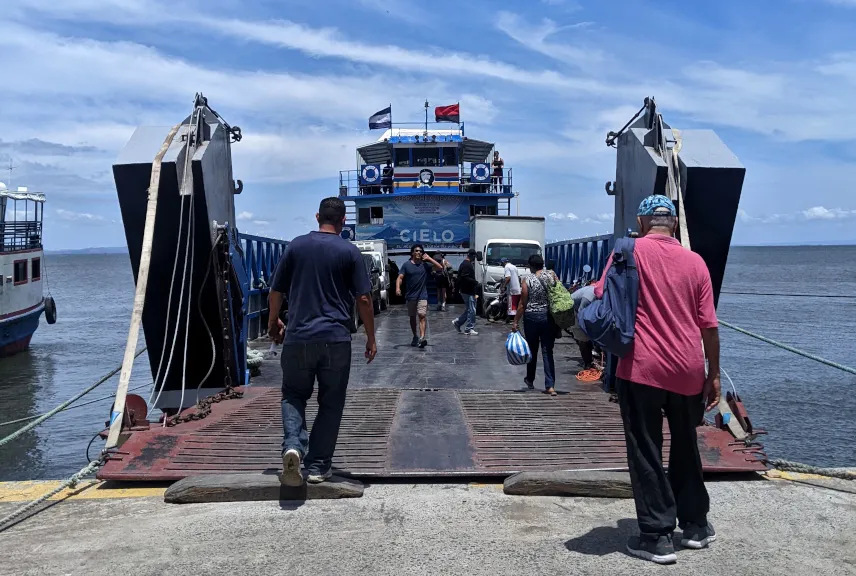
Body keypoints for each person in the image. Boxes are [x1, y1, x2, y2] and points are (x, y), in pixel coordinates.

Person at [595, 194, 720, 565]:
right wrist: (713, 373)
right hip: (688, 369)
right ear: (675, 224)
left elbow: (601, 296)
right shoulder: (696, 262)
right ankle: (695, 525)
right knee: (686, 444)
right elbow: (709, 326)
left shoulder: (626, 253)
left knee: (646, 448)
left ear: (642, 221)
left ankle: (656, 536)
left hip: (641, 368)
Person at [268, 197, 378, 487]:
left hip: (298, 338)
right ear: (343, 221)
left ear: (317, 217)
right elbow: (364, 298)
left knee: (293, 395)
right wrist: (371, 337)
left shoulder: (295, 246)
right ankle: (317, 466)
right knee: (331, 402)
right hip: (335, 340)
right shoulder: (349, 251)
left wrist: (273, 322)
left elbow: (276, 292)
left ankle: (293, 446)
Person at [512, 254, 558, 396]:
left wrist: (515, 321)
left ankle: (530, 379)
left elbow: (522, 303)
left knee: (532, 349)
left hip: (531, 318)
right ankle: (550, 386)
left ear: (530, 266)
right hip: (548, 317)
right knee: (547, 351)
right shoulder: (551, 276)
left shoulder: (527, 280)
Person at [396, 244, 443, 348]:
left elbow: (440, 267)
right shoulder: (406, 265)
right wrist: (398, 288)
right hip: (411, 296)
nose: (419, 252)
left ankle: (422, 338)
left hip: (422, 295)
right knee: (412, 317)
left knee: (422, 315)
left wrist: (429, 258)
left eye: (421, 251)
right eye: (417, 251)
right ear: (412, 252)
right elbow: (400, 277)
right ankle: (415, 336)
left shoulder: (425, 265)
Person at [453, 248, 479, 335]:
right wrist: (475, 282)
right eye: (474, 256)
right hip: (468, 291)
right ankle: (469, 328)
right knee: (472, 310)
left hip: (466, 290)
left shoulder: (465, 264)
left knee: (469, 309)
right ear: (472, 256)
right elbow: (465, 277)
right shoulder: (467, 265)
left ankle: (458, 322)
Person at [570, 284, 596, 368]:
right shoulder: (589, 297)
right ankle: (588, 363)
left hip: (585, 310)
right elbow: (581, 314)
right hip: (574, 309)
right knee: (582, 337)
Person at [502, 257, 521, 324]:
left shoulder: (507, 267)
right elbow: (519, 277)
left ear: (503, 262)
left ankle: (511, 320)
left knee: (511, 305)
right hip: (517, 288)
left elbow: (508, 278)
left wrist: (503, 286)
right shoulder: (514, 267)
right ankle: (513, 319)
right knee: (515, 305)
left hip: (511, 289)